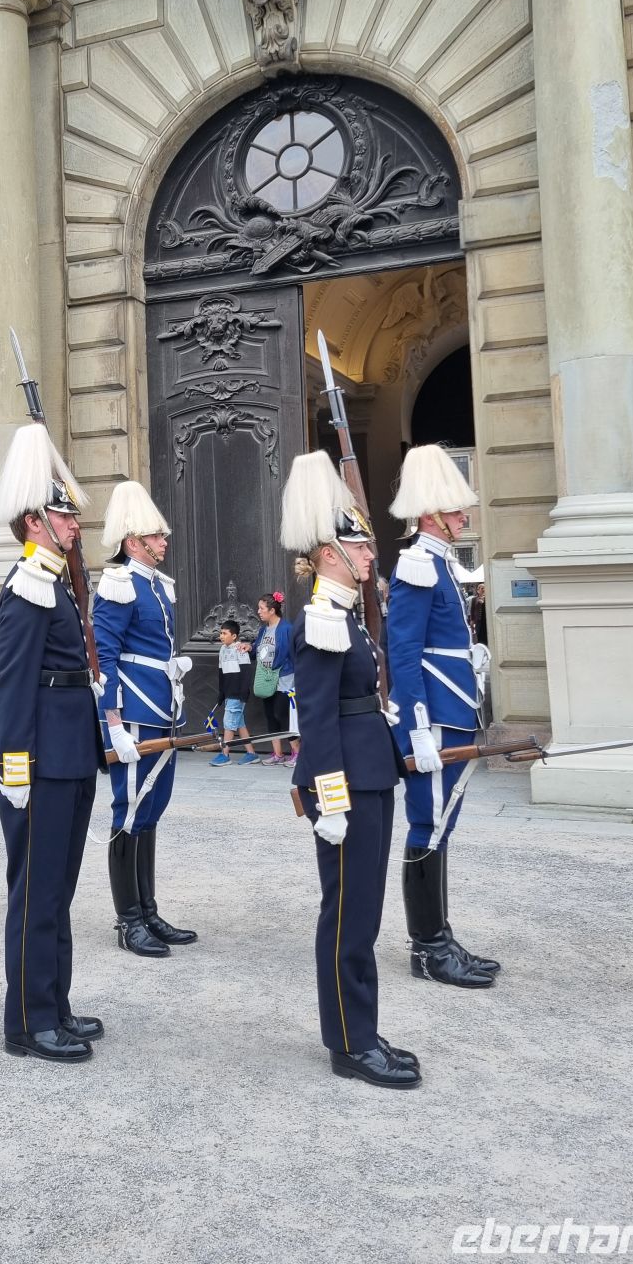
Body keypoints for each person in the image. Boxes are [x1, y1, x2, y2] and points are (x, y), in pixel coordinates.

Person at [280, 450, 420, 1090]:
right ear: (329, 553)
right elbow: (316, 719)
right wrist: (329, 797)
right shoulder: (320, 619)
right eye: (359, 546)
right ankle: (349, 1042)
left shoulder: (347, 617)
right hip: (348, 786)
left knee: (365, 912)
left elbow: (357, 700)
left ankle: (362, 1028)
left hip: (372, 774)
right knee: (348, 914)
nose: (370, 554)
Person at [0, 423, 107, 1064]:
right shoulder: (29, 586)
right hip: (40, 760)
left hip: (70, 753)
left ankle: (54, 1002)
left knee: (57, 891)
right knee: (36, 893)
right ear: (35, 522)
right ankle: (29, 1022)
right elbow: (14, 686)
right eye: (64, 516)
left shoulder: (58, 582)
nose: (74, 524)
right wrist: (15, 766)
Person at [387, 444, 499, 990]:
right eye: (455, 509)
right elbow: (403, 654)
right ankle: (428, 947)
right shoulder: (417, 563)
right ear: (432, 513)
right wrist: (416, 729)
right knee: (428, 823)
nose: (464, 515)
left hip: (453, 707)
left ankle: (441, 935)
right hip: (432, 716)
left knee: (443, 821)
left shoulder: (441, 563)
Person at [93, 480, 196, 958]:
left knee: (151, 810)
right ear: (133, 542)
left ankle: (148, 911)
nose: (163, 541)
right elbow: (105, 658)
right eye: (155, 536)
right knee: (130, 811)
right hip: (134, 712)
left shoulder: (156, 584)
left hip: (161, 708)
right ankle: (128, 920)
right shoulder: (119, 583)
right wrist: (112, 722)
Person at [250, 591, 293, 763]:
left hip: (284, 677)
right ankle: (278, 754)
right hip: (266, 678)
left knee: (283, 715)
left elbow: (292, 654)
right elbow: (257, 649)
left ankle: (297, 753)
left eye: (262, 608)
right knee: (270, 715)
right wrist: (249, 648)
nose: (258, 611)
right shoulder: (263, 630)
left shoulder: (287, 629)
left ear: (272, 610)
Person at [211, 620, 255, 765]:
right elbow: (221, 673)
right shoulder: (222, 650)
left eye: (224, 633)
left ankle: (224, 754)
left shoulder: (240, 650)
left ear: (234, 636)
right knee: (239, 723)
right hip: (229, 693)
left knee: (229, 723)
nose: (221, 636)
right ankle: (251, 753)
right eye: (220, 633)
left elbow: (246, 673)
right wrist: (221, 693)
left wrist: (244, 693)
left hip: (238, 694)